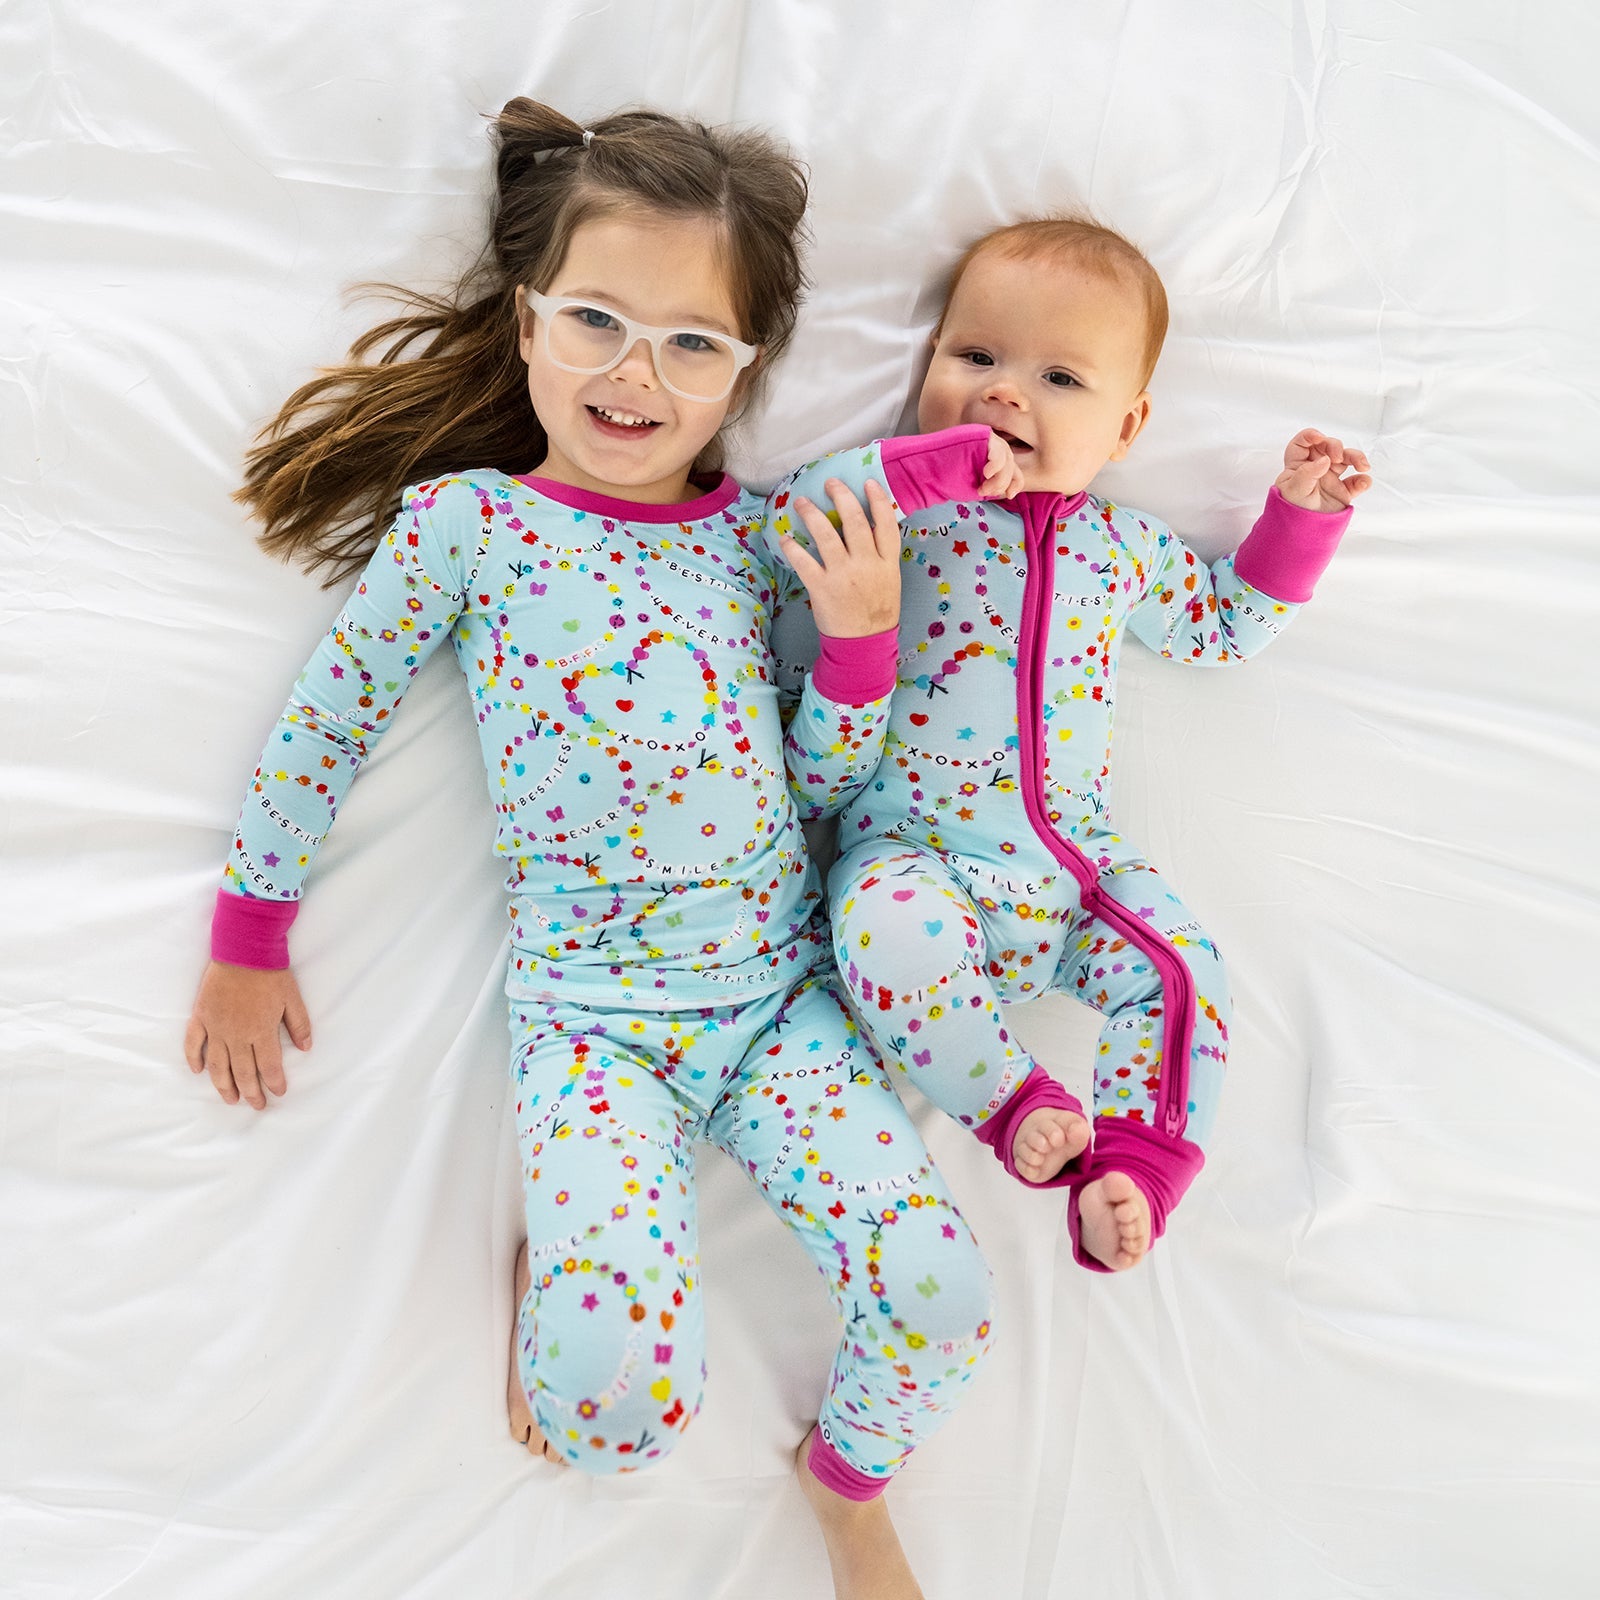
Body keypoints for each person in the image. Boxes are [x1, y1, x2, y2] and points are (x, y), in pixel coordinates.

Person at [182, 98, 1004, 1600]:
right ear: (524, 320)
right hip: (599, 1030)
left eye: (695, 344)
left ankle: (846, 1483)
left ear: (746, 370)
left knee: (945, 1298)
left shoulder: (762, 537)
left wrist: (863, 648)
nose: (638, 372)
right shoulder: (469, 527)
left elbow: (823, 781)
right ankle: (572, 1270)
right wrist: (251, 936)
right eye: (597, 322)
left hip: (779, 1006)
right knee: (602, 1426)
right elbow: (328, 722)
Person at [771, 215, 1372, 1275]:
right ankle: (1015, 1108)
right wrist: (934, 468)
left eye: (1058, 378)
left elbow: (1222, 627)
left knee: (1185, 968)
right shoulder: (910, 513)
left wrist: (1300, 517)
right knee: (888, 941)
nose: (1004, 394)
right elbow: (808, 516)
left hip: (1076, 871)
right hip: (913, 853)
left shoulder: (1123, 545)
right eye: (975, 358)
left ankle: (1135, 1167)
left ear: (1125, 428)